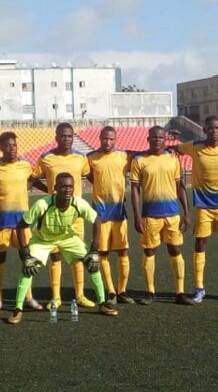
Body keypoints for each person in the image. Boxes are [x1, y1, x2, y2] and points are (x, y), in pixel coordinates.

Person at [7, 173, 118, 324]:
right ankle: (17, 309)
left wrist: (94, 249)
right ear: (55, 188)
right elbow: (21, 226)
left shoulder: (78, 203)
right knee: (28, 267)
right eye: (63, 186)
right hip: (42, 239)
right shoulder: (42, 204)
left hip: (67, 238)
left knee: (92, 262)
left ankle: (102, 303)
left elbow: (96, 220)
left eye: (70, 186)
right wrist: (25, 254)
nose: (67, 190)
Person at [170, 115, 218, 303]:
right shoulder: (195, 146)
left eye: (217, 128)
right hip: (203, 207)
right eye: (210, 128)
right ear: (204, 130)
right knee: (200, 245)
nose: (214, 131)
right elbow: (174, 149)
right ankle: (199, 288)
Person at [31, 123, 95, 308]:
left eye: (69, 136)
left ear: (73, 137)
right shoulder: (46, 158)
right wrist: (49, 191)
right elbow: (33, 178)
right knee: (56, 256)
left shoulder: (81, 158)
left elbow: (90, 176)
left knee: (77, 256)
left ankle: (81, 295)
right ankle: (56, 297)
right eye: (63, 136)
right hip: (53, 217)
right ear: (56, 137)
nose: (66, 139)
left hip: (75, 215)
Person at [0, 132, 43, 314]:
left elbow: (33, 179)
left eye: (14, 145)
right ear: (0, 148)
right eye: (7, 146)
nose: (12, 148)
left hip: (22, 222)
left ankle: (28, 297)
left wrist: (38, 189)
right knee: (0, 260)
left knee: (27, 259)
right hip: (1, 221)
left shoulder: (25, 165)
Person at [130, 126, 194, 306]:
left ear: (165, 139)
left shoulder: (173, 159)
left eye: (161, 137)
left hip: (172, 214)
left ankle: (180, 292)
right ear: (148, 139)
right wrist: (137, 215)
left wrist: (187, 213)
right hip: (150, 215)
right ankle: (150, 292)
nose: (157, 140)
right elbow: (134, 189)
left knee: (175, 250)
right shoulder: (139, 160)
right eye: (154, 137)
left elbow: (180, 187)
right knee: (149, 251)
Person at [86, 126, 134, 305]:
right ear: (100, 138)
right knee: (103, 252)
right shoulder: (91, 158)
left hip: (119, 211)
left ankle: (122, 291)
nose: (108, 142)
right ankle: (111, 291)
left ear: (116, 140)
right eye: (105, 138)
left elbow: (144, 155)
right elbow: (90, 177)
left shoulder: (123, 156)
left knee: (123, 251)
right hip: (101, 212)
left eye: (111, 139)